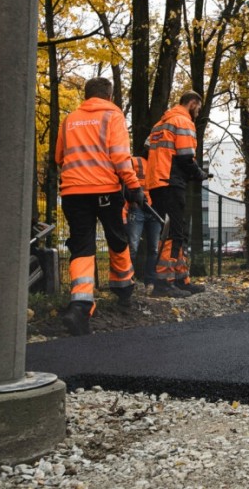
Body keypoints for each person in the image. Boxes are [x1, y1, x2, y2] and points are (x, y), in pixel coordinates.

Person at [56, 77, 144, 336]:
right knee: (117, 237)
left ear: (86, 95)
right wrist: (134, 185)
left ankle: (80, 306)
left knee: (82, 245)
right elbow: (119, 154)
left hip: (73, 191)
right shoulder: (112, 115)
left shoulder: (70, 119)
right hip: (105, 189)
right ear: (109, 95)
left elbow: (59, 157)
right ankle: (123, 288)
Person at [146, 91, 210, 297]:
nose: (198, 113)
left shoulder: (160, 124)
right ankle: (164, 282)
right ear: (192, 103)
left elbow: (148, 146)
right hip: (170, 182)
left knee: (176, 231)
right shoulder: (183, 121)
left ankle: (181, 278)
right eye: (198, 108)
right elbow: (185, 157)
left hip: (157, 182)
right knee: (173, 233)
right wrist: (199, 173)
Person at [124, 139, 161, 296]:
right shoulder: (135, 162)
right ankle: (127, 282)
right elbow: (125, 182)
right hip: (138, 208)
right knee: (132, 247)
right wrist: (133, 199)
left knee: (154, 248)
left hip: (155, 210)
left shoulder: (161, 167)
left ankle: (150, 282)